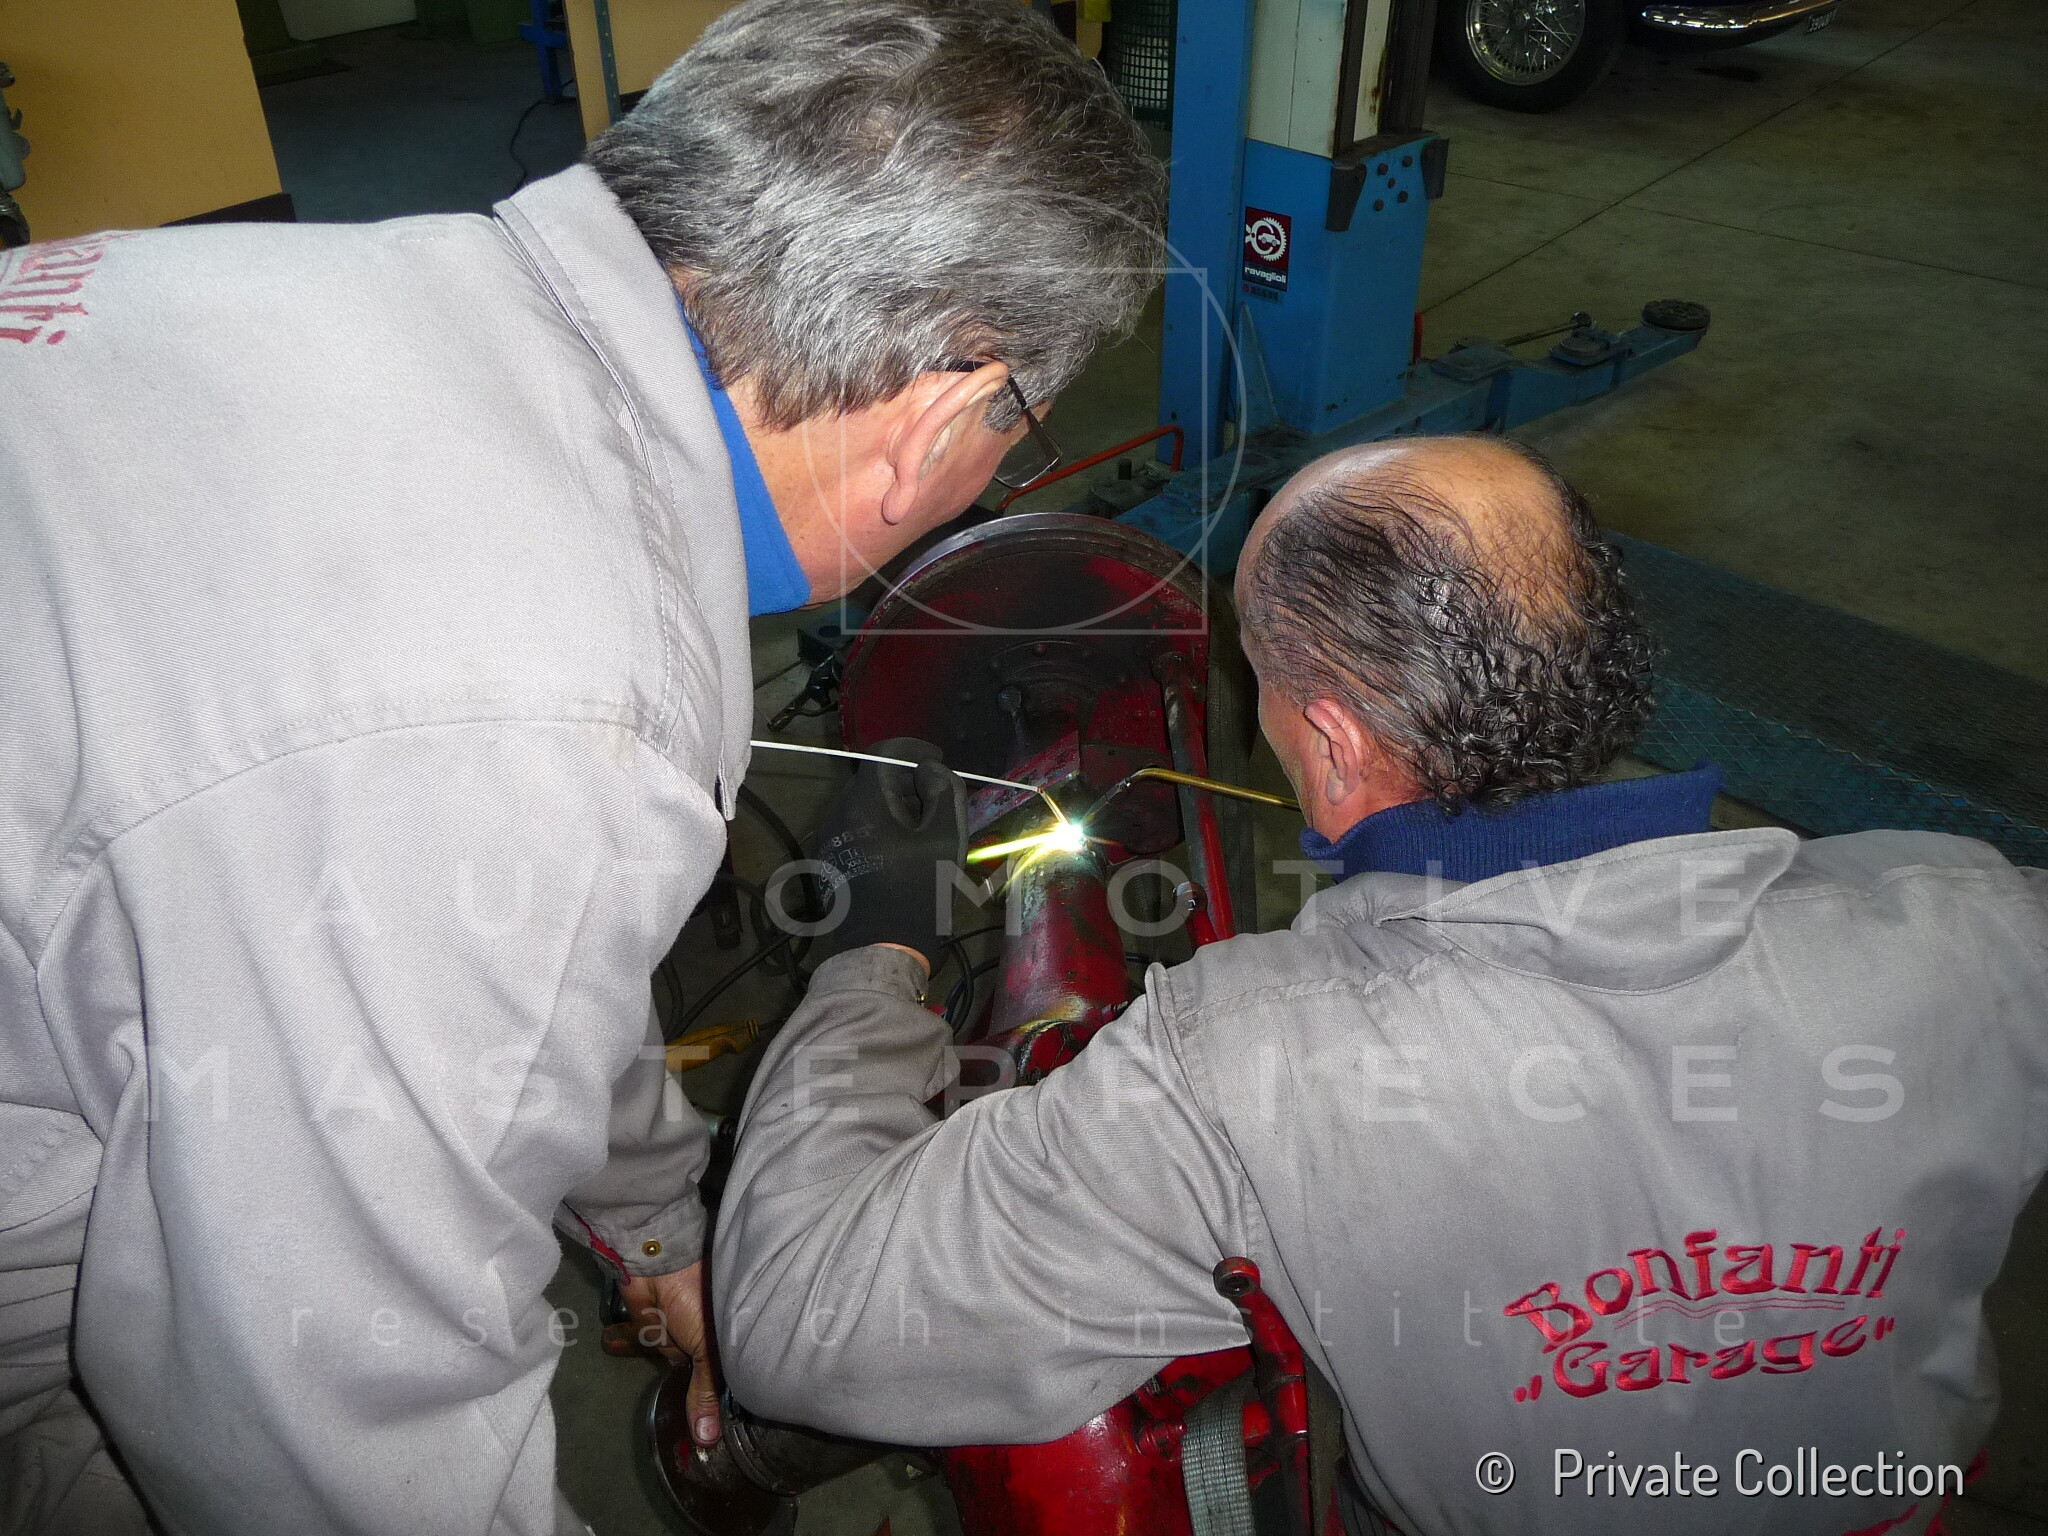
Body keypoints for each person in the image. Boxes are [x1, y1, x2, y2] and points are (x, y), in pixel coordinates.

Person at [0, 1, 1163, 1529]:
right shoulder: (547, 715)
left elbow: (506, 958)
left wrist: (662, 1227)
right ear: (946, 410)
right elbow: (324, 1414)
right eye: (1018, 431)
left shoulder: (304, 281)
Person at [713, 435, 2048, 1535]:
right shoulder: (1971, 921)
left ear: (1336, 742)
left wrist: (872, 955)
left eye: (1261, 681)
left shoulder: (1241, 1066)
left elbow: (798, 1322)